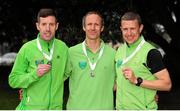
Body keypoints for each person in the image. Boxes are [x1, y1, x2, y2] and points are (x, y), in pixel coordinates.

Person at [8, 8, 68, 110]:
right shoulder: (27, 48)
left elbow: (68, 72)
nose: (47, 29)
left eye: (51, 24)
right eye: (44, 24)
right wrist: (34, 75)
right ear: (38, 26)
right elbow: (13, 80)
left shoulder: (63, 48)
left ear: (56, 26)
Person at [115, 11, 172, 110]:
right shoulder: (119, 50)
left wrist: (137, 81)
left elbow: (167, 84)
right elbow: (118, 82)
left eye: (132, 29)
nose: (129, 33)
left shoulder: (151, 52)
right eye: (125, 29)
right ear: (121, 29)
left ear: (140, 28)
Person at [64, 11, 116, 110]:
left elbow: (122, 83)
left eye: (96, 24)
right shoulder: (71, 52)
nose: (92, 28)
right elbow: (57, 79)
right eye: (89, 24)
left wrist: (149, 94)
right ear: (84, 27)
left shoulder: (113, 54)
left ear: (102, 28)